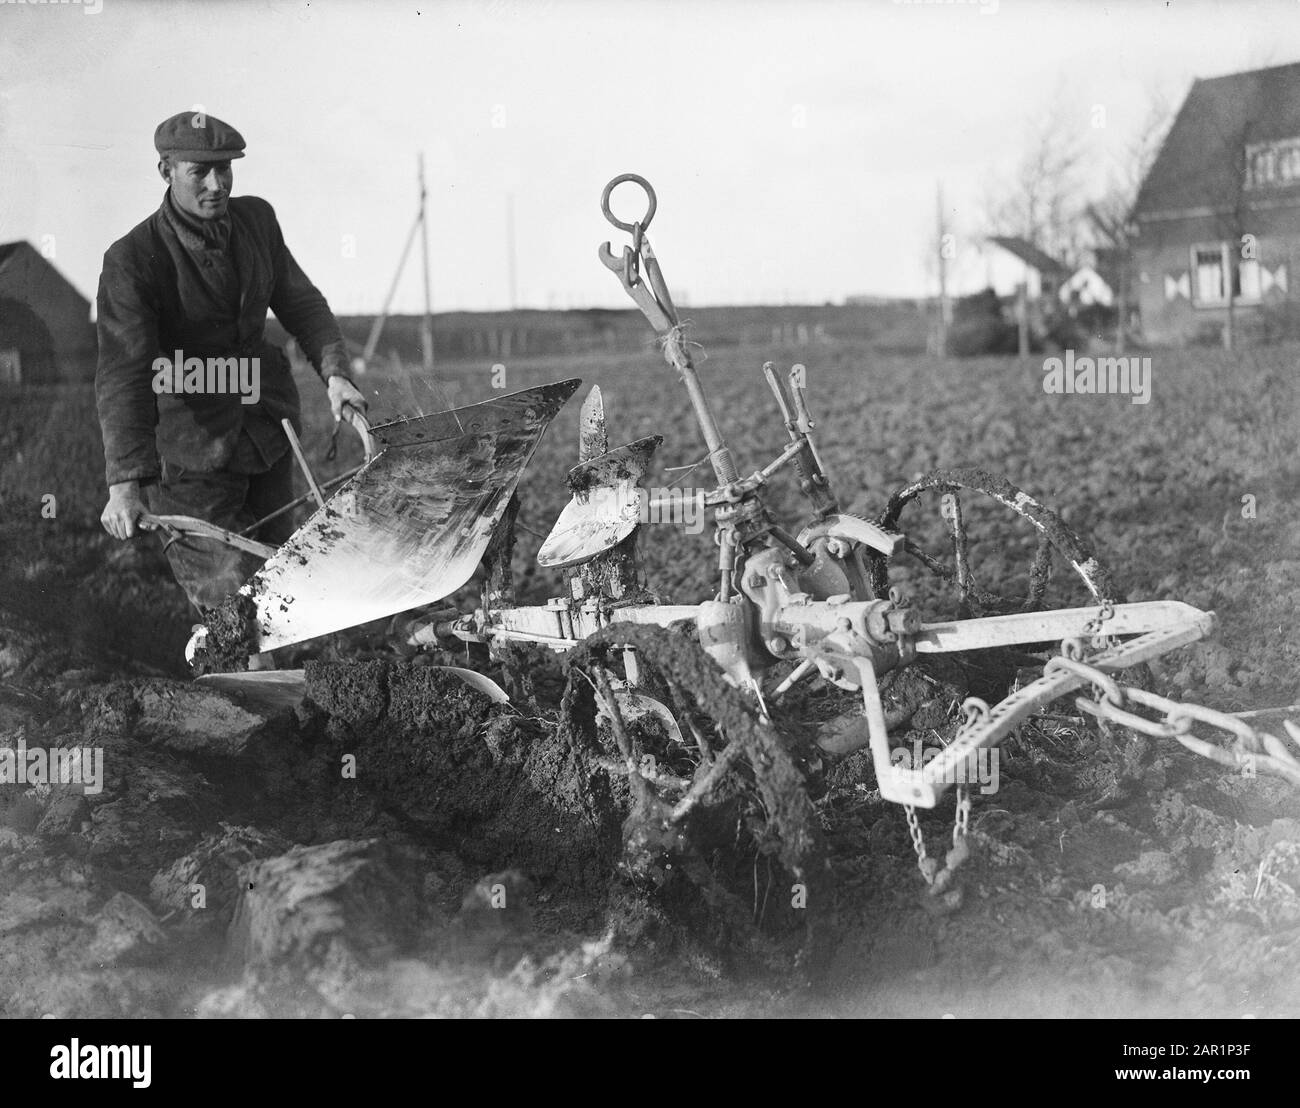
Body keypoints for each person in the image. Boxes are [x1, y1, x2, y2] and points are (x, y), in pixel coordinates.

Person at [95, 110, 366, 633]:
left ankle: (285, 687)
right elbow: (125, 374)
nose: (217, 185)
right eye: (200, 171)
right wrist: (125, 483)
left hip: (267, 433)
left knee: (282, 575)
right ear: (165, 171)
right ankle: (239, 697)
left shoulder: (257, 222)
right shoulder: (133, 259)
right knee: (224, 597)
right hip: (193, 450)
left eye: (226, 169)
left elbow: (302, 304)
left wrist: (336, 373)